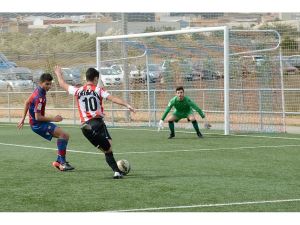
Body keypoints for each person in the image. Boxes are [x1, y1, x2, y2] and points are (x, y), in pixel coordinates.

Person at [54, 65, 136, 179]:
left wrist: (58, 73)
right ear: (96, 79)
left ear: (86, 78)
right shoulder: (98, 90)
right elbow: (113, 98)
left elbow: (62, 84)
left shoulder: (78, 90)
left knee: (106, 150)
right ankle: (116, 171)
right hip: (97, 122)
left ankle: (117, 171)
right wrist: (127, 105)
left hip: (85, 124)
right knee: (109, 147)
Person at [17, 73, 74, 171]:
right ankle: (62, 163)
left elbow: (27, 102)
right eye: (47, 84)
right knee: (63, 135)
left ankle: (59, 162)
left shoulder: (38, 90)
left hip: (38, 123)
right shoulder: (39, 97)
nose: (49, 86)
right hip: (38, 124)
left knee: (65, 136)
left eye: (50, 84)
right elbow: (38, 117)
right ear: (41, 83)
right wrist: (54, 119)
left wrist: (23, 119)